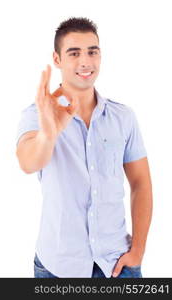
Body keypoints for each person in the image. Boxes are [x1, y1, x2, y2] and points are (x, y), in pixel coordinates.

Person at [16, 17, 153, 278]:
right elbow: (28, 162)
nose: (85, 62)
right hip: (58, 269)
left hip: (117, 265)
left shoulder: (123, 117)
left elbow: (141, 183)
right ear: (57, 60)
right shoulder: (36, 115)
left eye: (92, 51)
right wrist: (49, 133)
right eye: (74, 53)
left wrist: (138, 251)